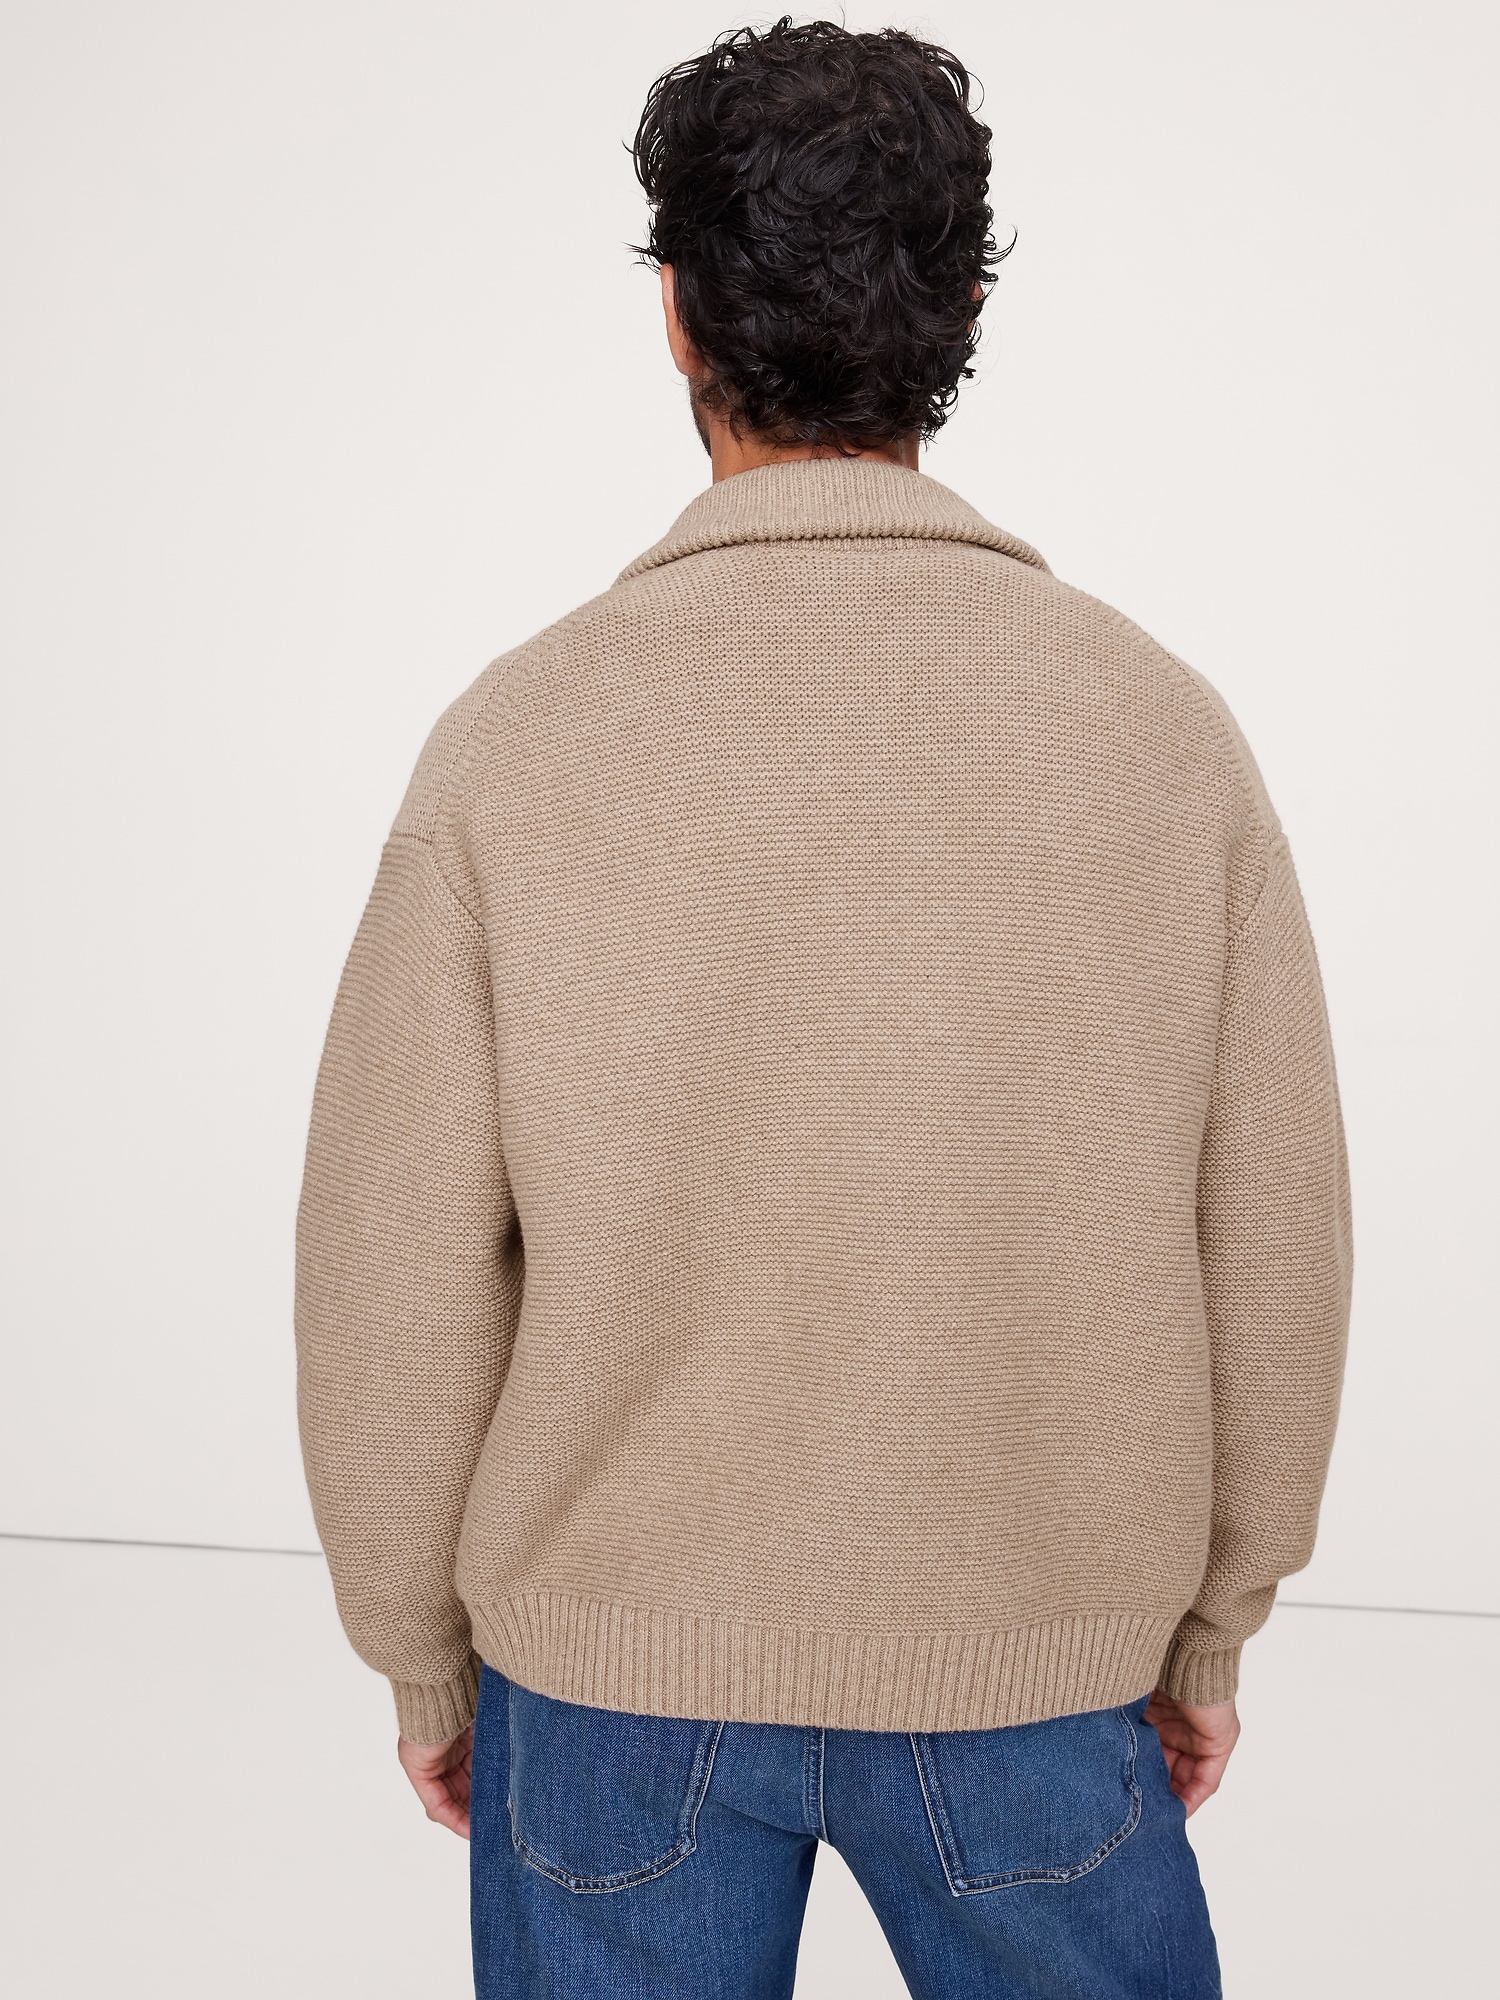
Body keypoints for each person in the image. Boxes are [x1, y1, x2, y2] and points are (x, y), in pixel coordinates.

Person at [295, 19, 1351, 1998]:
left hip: (607, 1677)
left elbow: (391, 1262)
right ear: (962, 314)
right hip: (1035, 1655)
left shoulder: (516, 741)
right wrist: (1214, 1624)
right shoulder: (1160, 735)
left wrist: (418, 1651)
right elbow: (1275, 1234)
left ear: (678, 315)